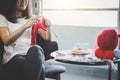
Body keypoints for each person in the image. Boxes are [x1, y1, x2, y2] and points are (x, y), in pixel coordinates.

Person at [0, 0, 51, 80]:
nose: (23, 1)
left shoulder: (32, 18)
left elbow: (47, 38)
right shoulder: (3, 18)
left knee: (36, 49)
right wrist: (25, 26)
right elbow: (6, 40)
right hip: (13, 57)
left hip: (31, 55)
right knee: (41, 68)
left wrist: (49, 27)